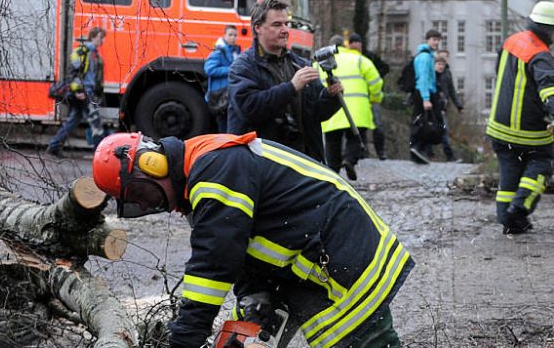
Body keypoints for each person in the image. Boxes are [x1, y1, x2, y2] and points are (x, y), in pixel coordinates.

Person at [92, 131, 415, 348]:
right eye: (136, 204)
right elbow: (240, 248)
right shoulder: (200, 178)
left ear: (152, 163)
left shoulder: (214, 171)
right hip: (304, 265)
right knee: (238, 338)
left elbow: (213, 263)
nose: (148, 205)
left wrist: (185, 339)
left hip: (343, 258)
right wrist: (252, 295)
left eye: (139, 193)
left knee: (365, 341)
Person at [228, 0, 343, 163]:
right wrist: (291, 87)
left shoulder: (301, 65)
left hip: (302, 160)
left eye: (286, 24)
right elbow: (249, 109)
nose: (284, 30)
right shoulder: (242, 67)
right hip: (260, 164)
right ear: (258, 28)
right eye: (277, 24)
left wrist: (331, 97)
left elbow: (316, 114)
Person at [486, 1, 554, 234]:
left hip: (498, 128)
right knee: (543, 163)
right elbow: (549, 92)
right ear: (547, 29)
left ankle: (508, 220)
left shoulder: (510, 42)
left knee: (509, 174)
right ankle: (520, 208)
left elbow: (500, 73)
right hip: (529, 131)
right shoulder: (541, 55)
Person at [317, 35, 383, 180]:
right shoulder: (360, 60)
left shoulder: (319, 62)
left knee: (332, 141)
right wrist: (375, 98)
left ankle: (333, 173)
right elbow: (376, 82)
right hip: (357, 109)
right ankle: (349, 160)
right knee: (355, 139)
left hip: (331, 110)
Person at [47, 27, 107, 157]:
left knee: (73, 120)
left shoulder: (97, 57)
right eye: (100, 37)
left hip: (89, 92)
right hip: (83, 92)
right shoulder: (81, 52)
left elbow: (97, 79)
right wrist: (78, 91)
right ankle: (100, 154)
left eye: (103, 38)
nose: (102, 40)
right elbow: (73, 73)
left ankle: (54, 146)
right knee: (95, 122)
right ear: (92, 37)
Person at [347, 33, 390, 160]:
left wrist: (376, 76)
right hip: (356, 97)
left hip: (371, 96)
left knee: (377, 126)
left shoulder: (369, 56)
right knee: (359, 126)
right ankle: (361, 151)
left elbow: (385, 68)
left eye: (358, 44)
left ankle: (380, 152)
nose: (356, 46)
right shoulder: (348, 58)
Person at [409, 29, 442, 164]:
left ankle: (420, 150)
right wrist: (426, 98)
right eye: (434, 39)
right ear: (427, 40)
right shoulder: (424, 57)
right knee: (427, 123)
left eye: (438, 40)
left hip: (427, 92)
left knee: (425, 122)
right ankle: (417, 148)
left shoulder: (428, 56)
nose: (436, 42)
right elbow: (423, 78)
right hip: (424, 92)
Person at [204, 25, 241, 133]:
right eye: (230, 35)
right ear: (224, 35)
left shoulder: (235, 52)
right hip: (220, 95)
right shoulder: (219, 52)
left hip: (229, 94)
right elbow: (209, 69)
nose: (233, 38)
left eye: (235, 35)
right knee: (223, 126)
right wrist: (230, 70)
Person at [428, 53, 463, 162]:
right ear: (434, 65)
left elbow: (452, 90)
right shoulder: (430, 75)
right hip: (430, 107)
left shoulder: (447, 74)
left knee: (443, 131)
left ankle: (449, 156)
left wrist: (459, 105)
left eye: (442, 64)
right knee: (429, 130)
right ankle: (430, 154)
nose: (440, 66)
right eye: (438, 64)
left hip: (441, 107)